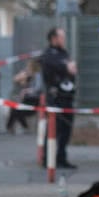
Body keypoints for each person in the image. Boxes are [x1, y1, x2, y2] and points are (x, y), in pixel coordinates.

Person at [40, 26, 77, 170]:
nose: (64, 39)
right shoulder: (49, 54)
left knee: (66, 130)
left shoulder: (64, 53)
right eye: (61, 37)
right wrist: (67, 67)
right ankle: (47, 159)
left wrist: (69, 68)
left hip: (67, 97)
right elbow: (62, 68)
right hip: (56, 98)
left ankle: (61, 158)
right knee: (54, 129)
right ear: (54, 38)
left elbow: (71, 70)